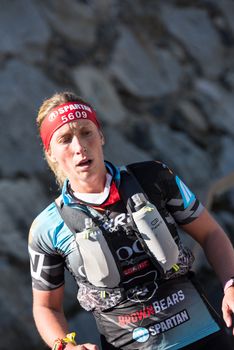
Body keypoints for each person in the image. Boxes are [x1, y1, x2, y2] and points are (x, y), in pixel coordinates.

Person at [28, 91, 234, 350]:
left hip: (202, 335)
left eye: (86, 132)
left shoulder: (154, 178)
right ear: (51, 153)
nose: (79, 147)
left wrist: (230, 284)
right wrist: (64, 346)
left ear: (101, 136)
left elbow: (210, 233)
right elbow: (46, 306)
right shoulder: (47, 227)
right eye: (65, 139)